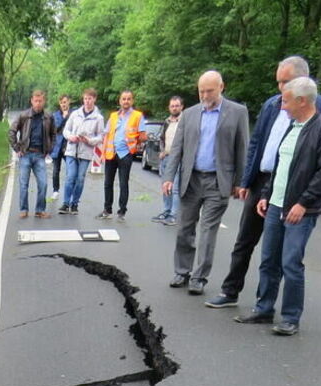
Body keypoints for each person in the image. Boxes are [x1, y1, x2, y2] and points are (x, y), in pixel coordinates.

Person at [205, 56, 321, 308]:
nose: (280, 89)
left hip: (296, 186)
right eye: (278, 82)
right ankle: (231, 291)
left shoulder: (320, 108)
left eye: (286, 82)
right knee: (246, 241)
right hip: (265, 182)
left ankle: (279, 308)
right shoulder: (272, 105)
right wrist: (246, 180)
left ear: (303, 82)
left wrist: (307, 199)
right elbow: (258, 142)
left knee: (285, 256)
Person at [233, 77, 321, 336]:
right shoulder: (291, 126)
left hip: (300, 211)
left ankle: (291, 317)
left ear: (302, 101)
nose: (283, 105)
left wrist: (303, 203)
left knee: (291, 262)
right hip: (275, 205)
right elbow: (280, 166)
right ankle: (264, 308)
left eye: (287, 101)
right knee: (269, 260)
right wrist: (266, 195)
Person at [163, 70, 249, 296]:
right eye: (201, 91)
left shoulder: (237, 112)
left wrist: (241, 182)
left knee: (208, 231)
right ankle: (182, 271)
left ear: (221, 87)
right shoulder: (189, 114)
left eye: (209, 90)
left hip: (217, 180)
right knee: (184, 228)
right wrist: (168, 177)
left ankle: (199, 277)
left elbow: (242, 149)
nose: (204, 95)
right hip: (191, 179)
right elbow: (177, 149)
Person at [96, 90, 147, 222]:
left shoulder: (137, 116)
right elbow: (106, 135)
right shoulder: (113, 116)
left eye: (128, 99)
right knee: (108, 183)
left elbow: (142, 135)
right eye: (123, 99)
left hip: (125, 154)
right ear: (120, 101)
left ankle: (122, 211)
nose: (126, 101)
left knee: (123, 183)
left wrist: (135, 145)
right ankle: (107, 210)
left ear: (132, 101)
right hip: (111, 153)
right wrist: (102, 154)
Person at [9, 89, 56, 219]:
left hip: (40, 155)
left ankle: (40, 210)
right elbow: (12, 131)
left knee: (43, 183)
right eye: (36, 101)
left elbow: (53, 134)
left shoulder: (48, 117)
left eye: (40, 101)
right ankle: (24, 209)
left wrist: (50, 149)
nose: (38, 103)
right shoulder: (24, 116)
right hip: (25, 154)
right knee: (23, 184)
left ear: (44, 101)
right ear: (31, 101)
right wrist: (16, 148)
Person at [58, 88, 105, 215]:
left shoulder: (98, 118)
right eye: (85, 99)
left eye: (90, 99)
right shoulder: (75, 114)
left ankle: (74, 204)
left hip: (86, 152)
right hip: (72, 150)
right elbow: (66, 130)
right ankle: (66, 203)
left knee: (80, 178)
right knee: (70, 177)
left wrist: (89, 140)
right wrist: (71, 136)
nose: (87, 101)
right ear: (83, 99)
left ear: (94, 99)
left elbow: (101, 137)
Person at [151, 96, 184, 226]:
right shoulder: (167, 121)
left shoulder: (184, 121)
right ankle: (166, 211)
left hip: (178, 158)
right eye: (172, 106)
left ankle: (174, 215)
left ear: (182, 107)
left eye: (177, 105)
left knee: (175, 188)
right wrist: (162, 151)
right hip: (166, 158)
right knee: (165, 187)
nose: (174, 108)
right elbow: (162, 138)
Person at [49, 94, 72, 201]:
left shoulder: (74, 115)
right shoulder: (55, 115)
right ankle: (55, 190)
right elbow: (55, 129)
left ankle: (69, 192)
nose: (64, 104)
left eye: (65, 102)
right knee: (55, 171)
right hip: (57, 147)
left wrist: (68, 116)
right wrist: (64, 117)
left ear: (69, 102)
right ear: (60, 103)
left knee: (70, 171)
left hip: (68, 147)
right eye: (62, 102)